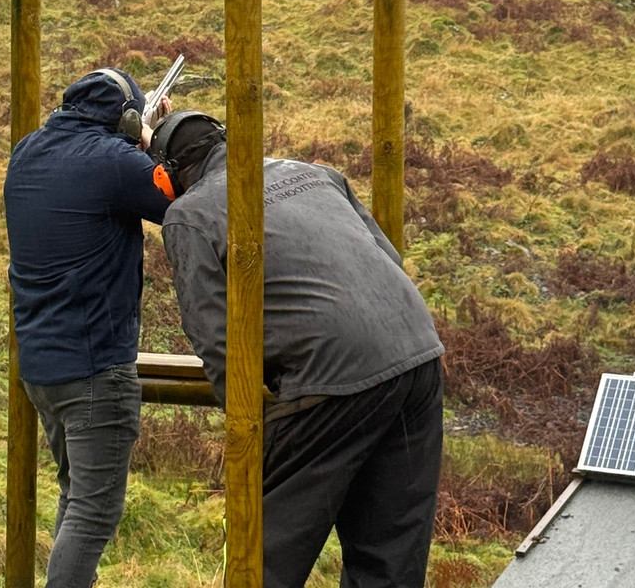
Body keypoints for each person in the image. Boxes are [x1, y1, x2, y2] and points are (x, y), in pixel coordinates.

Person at [149, 110, 446, 588]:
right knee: (389, 563)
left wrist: (252, 421)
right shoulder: (315, 173)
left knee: (263, 561)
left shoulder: (189, 215)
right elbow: (387, 257)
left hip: (329, 378)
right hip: (418, 354)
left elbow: (215, 337)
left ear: (166, 178)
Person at [4, 68, 171, 588]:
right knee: (94, 515)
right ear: (124, 117)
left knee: (75, 498)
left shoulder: (27, 151)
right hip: (95, 369)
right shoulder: (114, 161)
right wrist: (154, 139)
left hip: (42, 370)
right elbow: (179, 199)